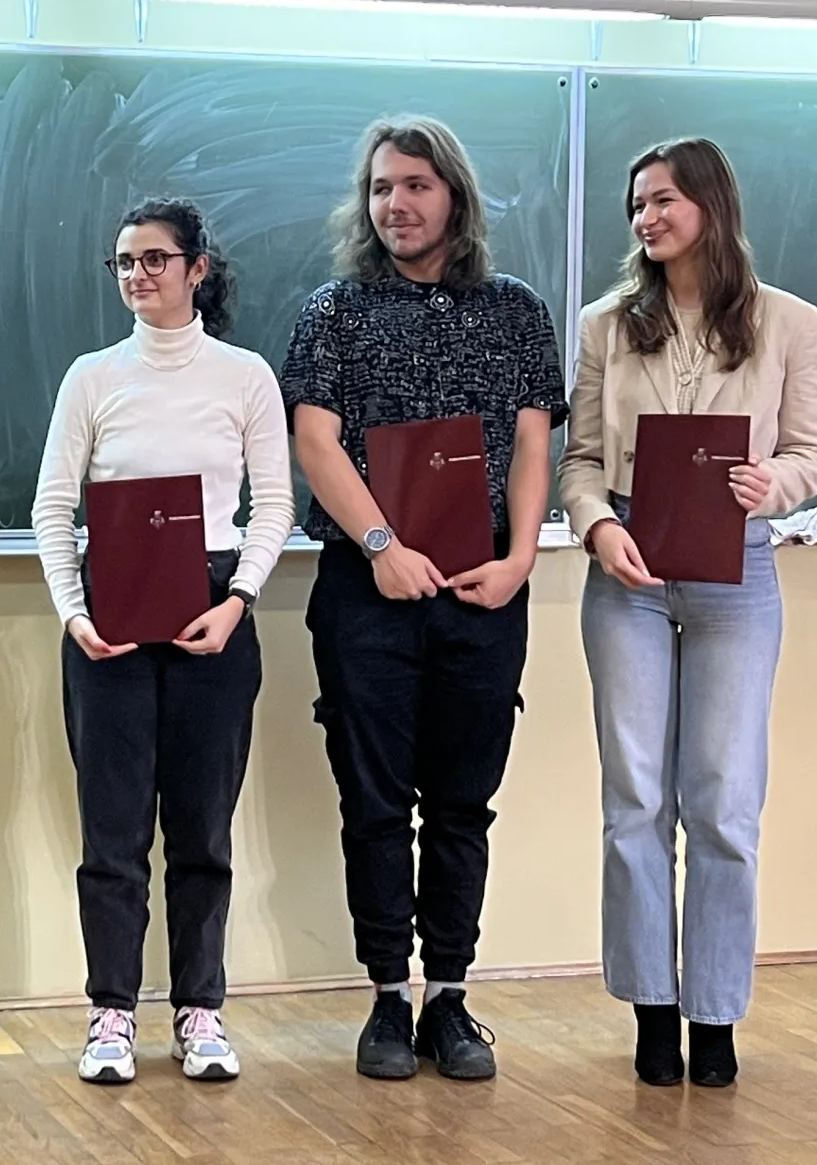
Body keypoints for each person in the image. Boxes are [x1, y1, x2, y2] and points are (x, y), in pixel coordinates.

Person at [280, 116, 567, 1082]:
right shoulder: (334, 311)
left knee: (460, 805)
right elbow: (315, 441)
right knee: (373, 804)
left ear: (453, 196)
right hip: (368, 594)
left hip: (484, 591)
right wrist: (381, 547)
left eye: (414, 185)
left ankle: (448, 996)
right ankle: (384, 1000)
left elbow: (532, 441)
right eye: (379, 188)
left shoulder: (515, 310)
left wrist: (521, 557)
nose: (394, 204)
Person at [559, 138, 817, 1088]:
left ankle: (713, 1012)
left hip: (735, 570)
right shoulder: (604, 325)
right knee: (634, 799)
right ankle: (649, 1005)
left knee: (723, 802)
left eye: (663, 199)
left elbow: (810, 450)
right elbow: (579, 460)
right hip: (628, 571)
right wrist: (597, 527)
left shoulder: (789, 321)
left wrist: (773, 485)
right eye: (636, 204)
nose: (646, 217)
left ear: (711, 205)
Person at [32, 198, 294, 1084]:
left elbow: (274, 505)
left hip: (212, 607)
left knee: (201, 828)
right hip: (109, 609)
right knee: (111, 831)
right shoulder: (91, 377)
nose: (137, 275)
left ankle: (199, 1011)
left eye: (154, 259)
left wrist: (239, 600)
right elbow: (52, 505)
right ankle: (110, 1013)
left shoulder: (245, 376)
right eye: (123, 262)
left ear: (197, 268)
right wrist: (74, 612)